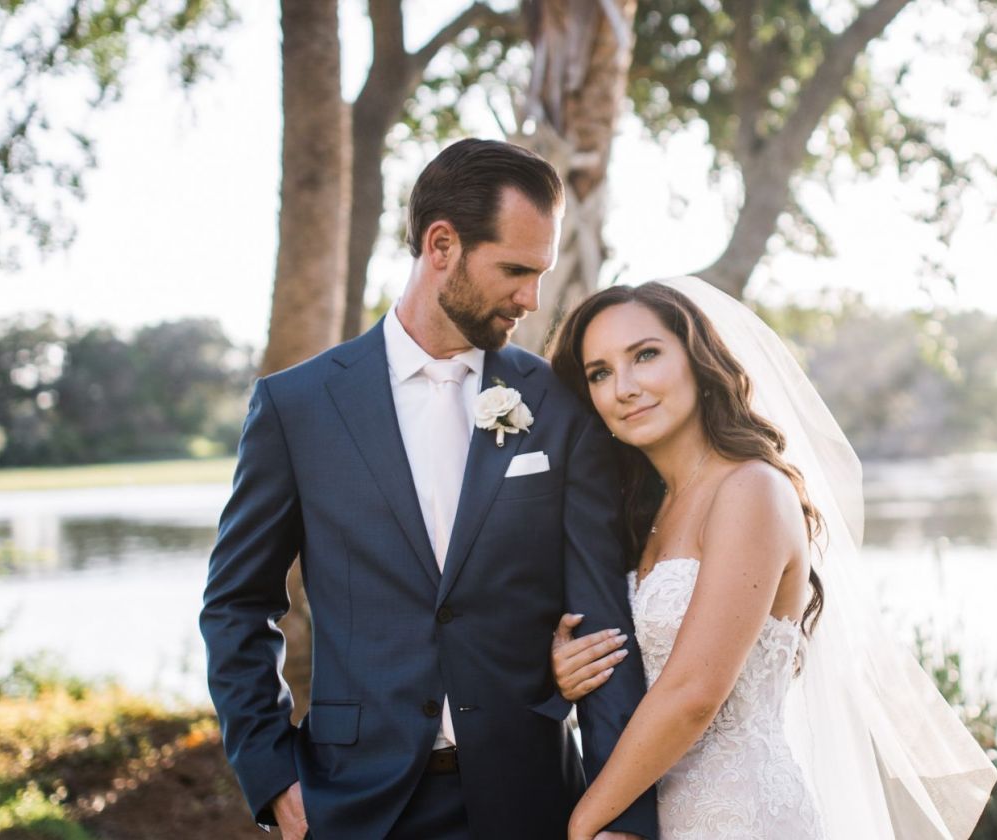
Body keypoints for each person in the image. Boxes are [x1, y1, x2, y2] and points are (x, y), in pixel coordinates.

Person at [199, 138, 657, 840]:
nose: (530, 299)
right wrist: (273, 776)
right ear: (441, 244)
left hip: (532, 799)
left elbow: (603, 624)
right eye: (514, 270)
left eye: (540, 275)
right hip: (354, 806)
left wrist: (622, 816)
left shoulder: (558, 405)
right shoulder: (298, 407)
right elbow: (237, 604)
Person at [546, 278, 997, 840]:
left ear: (698, 360)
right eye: (600, 373)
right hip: (647, 812)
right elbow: (643, 665)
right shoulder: (643, 512)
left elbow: (693, 693)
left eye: (646, 355)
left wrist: (585, 822)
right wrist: (572, 670)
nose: (625, 387)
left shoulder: (751, 490)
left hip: (739, 817)